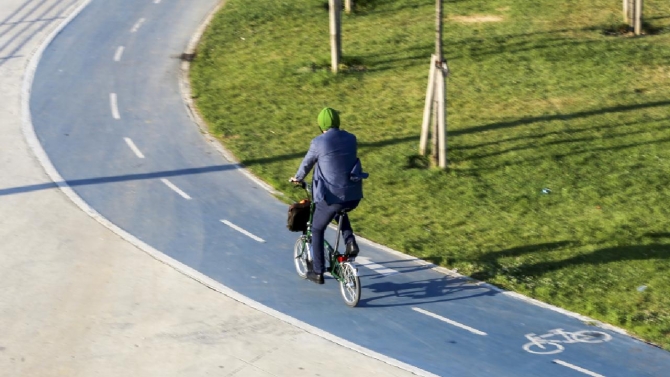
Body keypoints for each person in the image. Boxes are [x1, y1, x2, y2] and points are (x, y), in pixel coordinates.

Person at [290, 107, 368, 284]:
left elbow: (308, 162)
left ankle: (318, 271)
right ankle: (350, 242)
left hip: (332, 196)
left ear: (321, 124)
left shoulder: (319, 142)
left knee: (317, 229)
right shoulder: (351, 138)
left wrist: (298, 178)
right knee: (340, 210)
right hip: (353, 195)